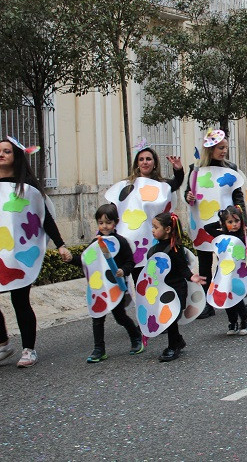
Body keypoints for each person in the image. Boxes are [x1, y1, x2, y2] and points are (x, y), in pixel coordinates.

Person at [0, 137, 71, 368]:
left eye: (6, 151)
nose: (1, 154)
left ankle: (29, 349)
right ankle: (3, 343)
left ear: (16, 156)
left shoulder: (27, 186)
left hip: (21, 254)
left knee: (20, 301)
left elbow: (44, 218)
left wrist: (60, 244)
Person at [67, 204, 143, 363]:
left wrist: (123, 270)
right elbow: (85, 260)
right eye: (100, 223)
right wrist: (70, 259)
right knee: (97, 317)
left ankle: (136, 337)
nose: (104, 226)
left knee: (120, 316)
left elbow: (131, 262)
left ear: (116, 222)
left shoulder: (121, 242)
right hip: (99, 288)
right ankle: (99, 349)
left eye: (108, 223)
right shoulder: (96, 242)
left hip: (116, 286)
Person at [185, 129, 244, 319]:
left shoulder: (231, 168)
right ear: (210, 149)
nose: (224, 151)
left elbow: (238, 194)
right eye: (221, 147)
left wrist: (239, 212)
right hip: (202, 223)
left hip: (224, 223)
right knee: (204, 263)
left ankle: (227, 293)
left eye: (226, 147)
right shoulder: (194, 170)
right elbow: (188, 194)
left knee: (225, 261)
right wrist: (188, 196)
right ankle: (206, 303)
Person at [106, 140, 184, 280]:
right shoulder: (126, 186)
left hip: (152, 239)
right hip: (129, 239)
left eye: (148, 159)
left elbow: (176, 183)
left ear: (154, 163)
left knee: (151, 278)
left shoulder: (162, 185)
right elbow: (114, 206)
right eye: (141, 159)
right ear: (137, 163)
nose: (145, 162)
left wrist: (178, 170)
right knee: (134, 277)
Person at [146, 212, 206, 362]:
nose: (152, 230)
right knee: (165, 317)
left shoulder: (176, 249)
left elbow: (183, 269)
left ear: (167, 229)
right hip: (161, 289)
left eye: (155, 227)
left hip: (176, 289)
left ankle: (173, 346)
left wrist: (192, 276)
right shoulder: (154, 249)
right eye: (152, 227)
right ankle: (178, 340)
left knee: (170, 318)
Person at [203, 205, 247, 333]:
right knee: (226, 296)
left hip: (238, 274)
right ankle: (232, 321)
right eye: (230, 222)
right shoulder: (221, 235)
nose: (234, 224)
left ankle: (244, 320)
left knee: (236, 298)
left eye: (237, 221)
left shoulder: (243, 237)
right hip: (224, 272)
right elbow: (207, 228)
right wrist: (222, 221)